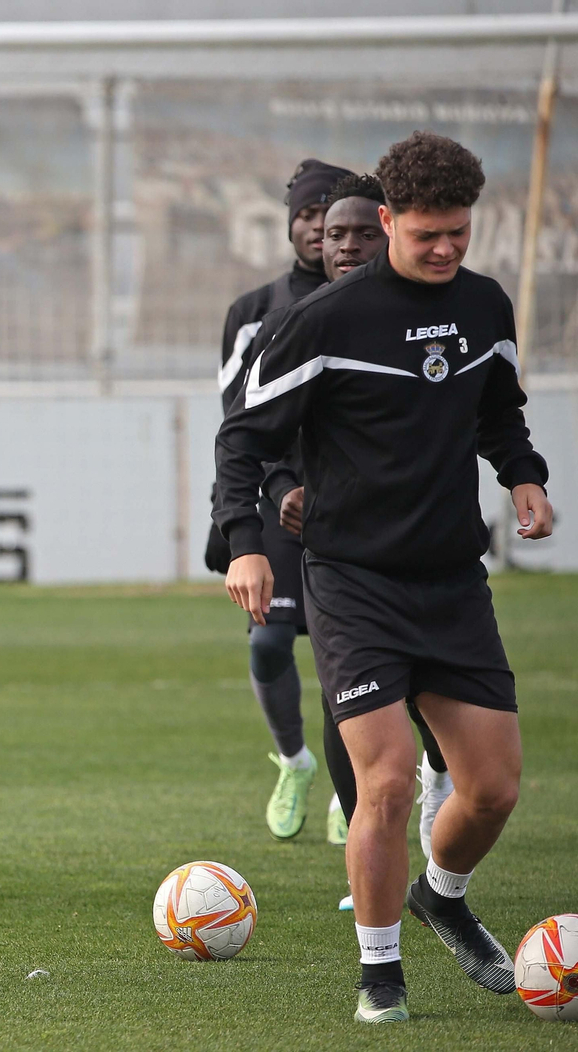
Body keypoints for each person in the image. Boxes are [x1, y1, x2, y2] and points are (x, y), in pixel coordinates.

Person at [215, 132, 554, 1023]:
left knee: (494, 788)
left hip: (451, 581)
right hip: (354, 581)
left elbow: (499, 415)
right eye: (427, 233)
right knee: (390, 779)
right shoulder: (326, 320)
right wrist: (240, 543)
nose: (445, 249)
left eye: (460, 233)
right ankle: (380, 975)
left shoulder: (485, 307)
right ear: (390, 221)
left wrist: (524, 475)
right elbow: (244, 437)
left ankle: (439, 895)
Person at [209, 158, 351, 842]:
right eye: (305, 214)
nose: (319, 228)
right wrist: (275, 489)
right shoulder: (254, 312)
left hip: (350, 507)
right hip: (276, 504)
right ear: (291, 223)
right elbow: (238, 423)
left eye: (330, 215)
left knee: (343, 656)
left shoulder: (371, 308)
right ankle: (295, 762)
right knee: (269, 643)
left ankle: (347, 786)